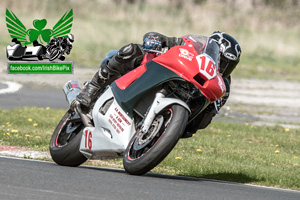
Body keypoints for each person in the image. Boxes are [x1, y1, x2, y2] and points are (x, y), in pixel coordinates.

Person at [76, 31, 241, 137]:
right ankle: (91, 90)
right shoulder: (195, 46)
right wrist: (154, 39)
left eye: (229, 64)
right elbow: (166, 40)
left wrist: (210, 108)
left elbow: (204, 122)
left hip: (179, 117)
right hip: (160, 74)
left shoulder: (222, 86)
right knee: (131, 51)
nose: (223, 66)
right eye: (222, 60)